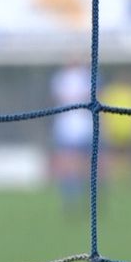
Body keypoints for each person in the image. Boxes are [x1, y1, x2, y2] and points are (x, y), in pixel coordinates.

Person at [50, 60, 93, 214]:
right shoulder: (60, 78)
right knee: (67, 164)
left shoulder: (87, 76)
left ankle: (88, 198)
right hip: (65, 129)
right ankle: (70, 199)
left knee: (87, 165)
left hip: (85, 128)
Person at [100, 70, 131, 182]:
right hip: (114, 131)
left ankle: (128, 179)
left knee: (129, 156)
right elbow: (103, 112)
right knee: (114, 156)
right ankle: (114, 179)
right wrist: (105, 128)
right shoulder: (111, 92)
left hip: (130, 132)